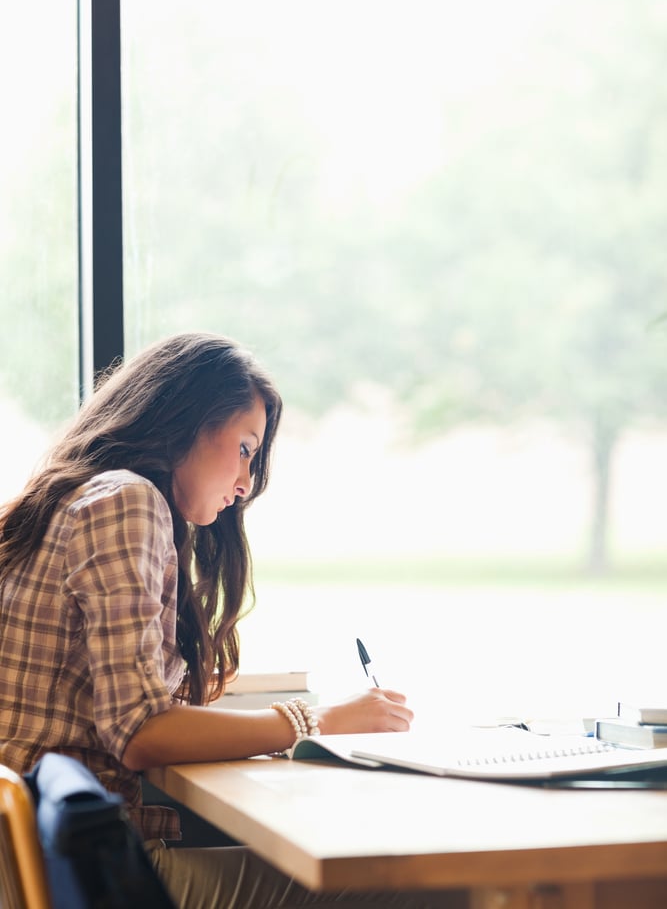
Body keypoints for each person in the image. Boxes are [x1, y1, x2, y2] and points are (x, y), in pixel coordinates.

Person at [0, 333, 458, 909]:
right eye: (245, 448)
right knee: (420, 884)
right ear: (183, 420)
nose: (245, 485)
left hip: (35, 862)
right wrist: (315, 720)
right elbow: (140, 731)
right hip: (73, 878)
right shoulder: (127, 501)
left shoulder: (63, 501)